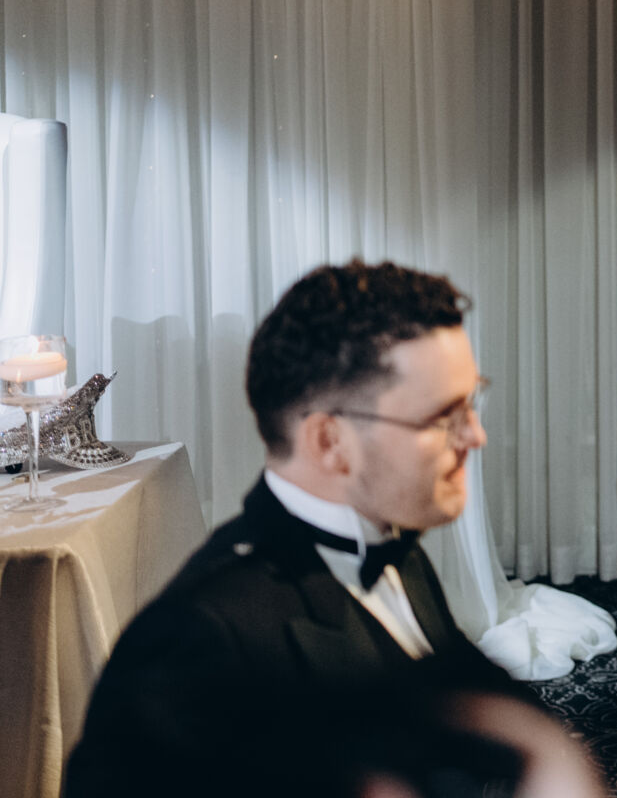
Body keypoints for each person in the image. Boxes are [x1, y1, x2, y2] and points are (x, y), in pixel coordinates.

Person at [64, 261, 524, 796]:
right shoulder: (192, 643)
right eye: (444, 416)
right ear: (330, 442)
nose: (475, 436)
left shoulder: (396, 544)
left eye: (472, 402)